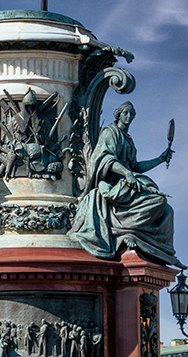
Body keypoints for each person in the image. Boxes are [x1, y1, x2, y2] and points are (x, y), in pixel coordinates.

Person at [69, 101, 178, 265]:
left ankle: (138, 236)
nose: (128, 116)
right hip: (113, 184)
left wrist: (160, 159)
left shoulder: (128, 140)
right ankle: (125, 232)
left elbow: (136, 166)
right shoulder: (110, 132)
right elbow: (106, 158)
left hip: (127, 183)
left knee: (166, 209)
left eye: (131, 114)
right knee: (159, 200)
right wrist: (126, 173)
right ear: (118, 114)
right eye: (125, 113)